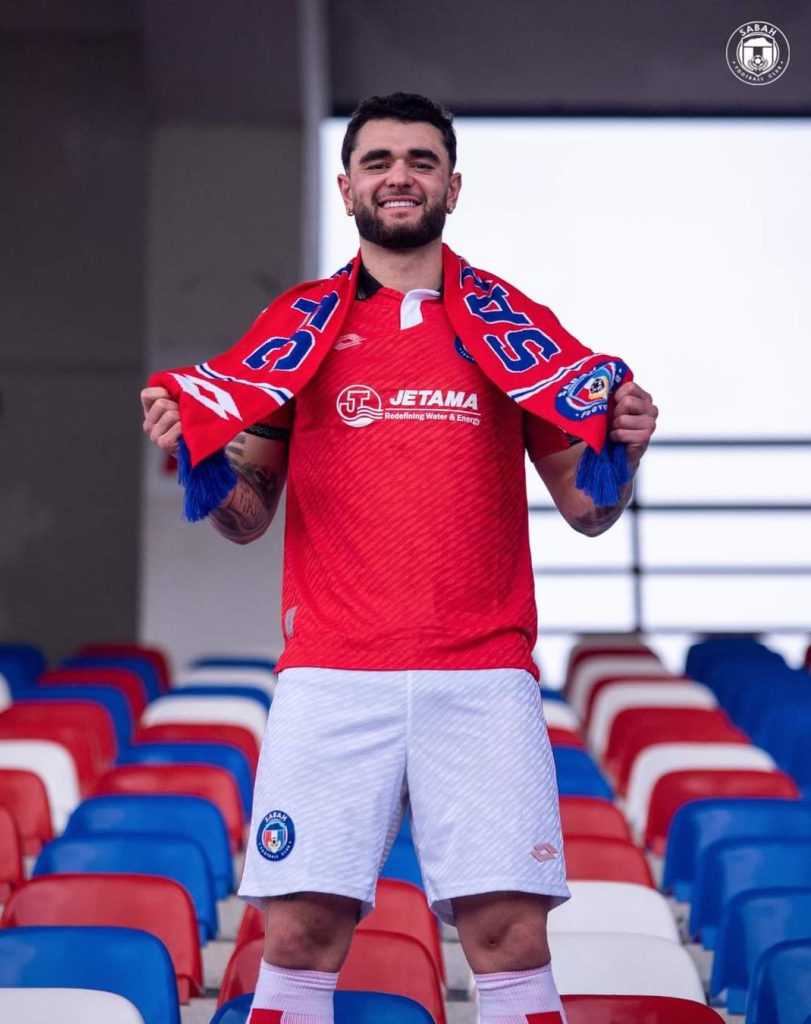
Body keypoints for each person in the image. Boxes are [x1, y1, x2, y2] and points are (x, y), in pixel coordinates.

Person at [141, 92, 657, 1024]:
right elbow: (247, 518)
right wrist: (198, 456)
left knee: (511, 938)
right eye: (377, 161)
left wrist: (622, 448)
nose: (399, 176)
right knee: (296, 935)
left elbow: (586, 509)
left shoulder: (515, 325)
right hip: (331, 675)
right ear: (346, 189)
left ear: (452, 186)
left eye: (421, 160)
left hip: (484, 674)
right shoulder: (293, 328)